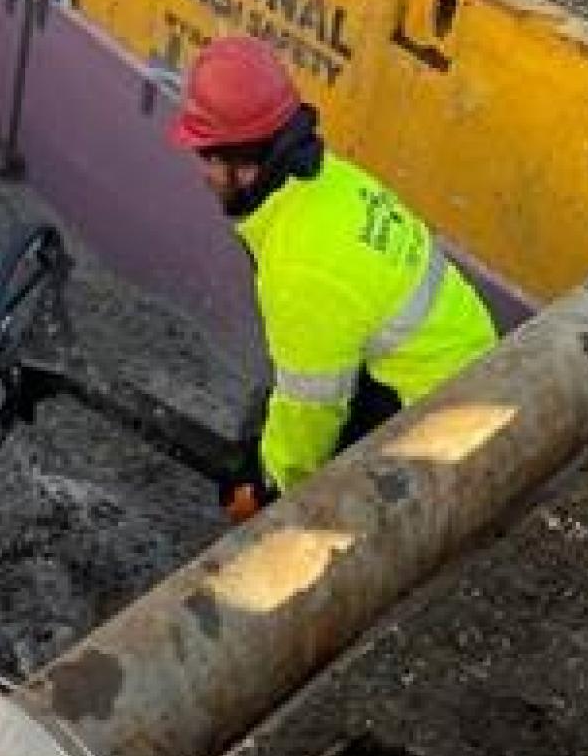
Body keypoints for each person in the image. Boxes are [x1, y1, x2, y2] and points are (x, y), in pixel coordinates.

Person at [166, 35, 497, 512]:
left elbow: (311, 406)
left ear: (240, 166)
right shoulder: (330, 184)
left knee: (313, 504)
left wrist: (268, 491)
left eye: (205, 156)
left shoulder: (301, 266)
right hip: (455, 364)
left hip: (440, 420)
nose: (202, 172)